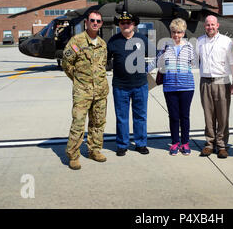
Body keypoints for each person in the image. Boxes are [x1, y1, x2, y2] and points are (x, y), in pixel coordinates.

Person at [62, 10, 109, 170]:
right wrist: (78, 80)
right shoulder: (76, 41)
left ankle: (94, 150)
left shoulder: (102, 44)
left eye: (98, 21)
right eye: (92, 20)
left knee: (98, 122)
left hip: (101, 92)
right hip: (83, 92)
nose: (95, 23)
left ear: (101, 24)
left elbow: (102, 66)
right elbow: (66, 63)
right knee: (78, 123)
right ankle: (73, 155)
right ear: (86, 22)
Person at [107, 11, 150, 156]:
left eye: (128, 23)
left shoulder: (142, 39)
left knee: (140, 116)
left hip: (140, 85)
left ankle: (141, 143)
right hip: (120, 86)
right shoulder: (113, 41)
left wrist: (145, 70)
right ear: (119, 25)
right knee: (121, 117)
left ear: (134, 24)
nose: (125, 25)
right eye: (122, 23)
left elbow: (155, 56)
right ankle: (122, 144)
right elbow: (105, 61)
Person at [196, 15, 233, 159]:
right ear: (204, 26)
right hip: (205, 81)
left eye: (213, 25)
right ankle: (209, 144)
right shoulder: (199, 41)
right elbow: (195, 61)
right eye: (207, 25)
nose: (210, 27)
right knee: (208, 115)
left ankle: (222, 145)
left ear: (217, 25)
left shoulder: (226, 41)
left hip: (222, 80)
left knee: (223, 115)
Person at [156, 18, 195, 156]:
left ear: (184, 32)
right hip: (170, 86)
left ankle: (185, 143)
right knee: (173, 116)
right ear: (170, 32)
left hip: (186, 87)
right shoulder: (165, 46)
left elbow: (196, 63)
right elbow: (157, 62)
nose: (176, 35)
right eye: (174, 32)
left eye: (179, 32)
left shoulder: (190, 47)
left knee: (185, 116)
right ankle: (175, 142)